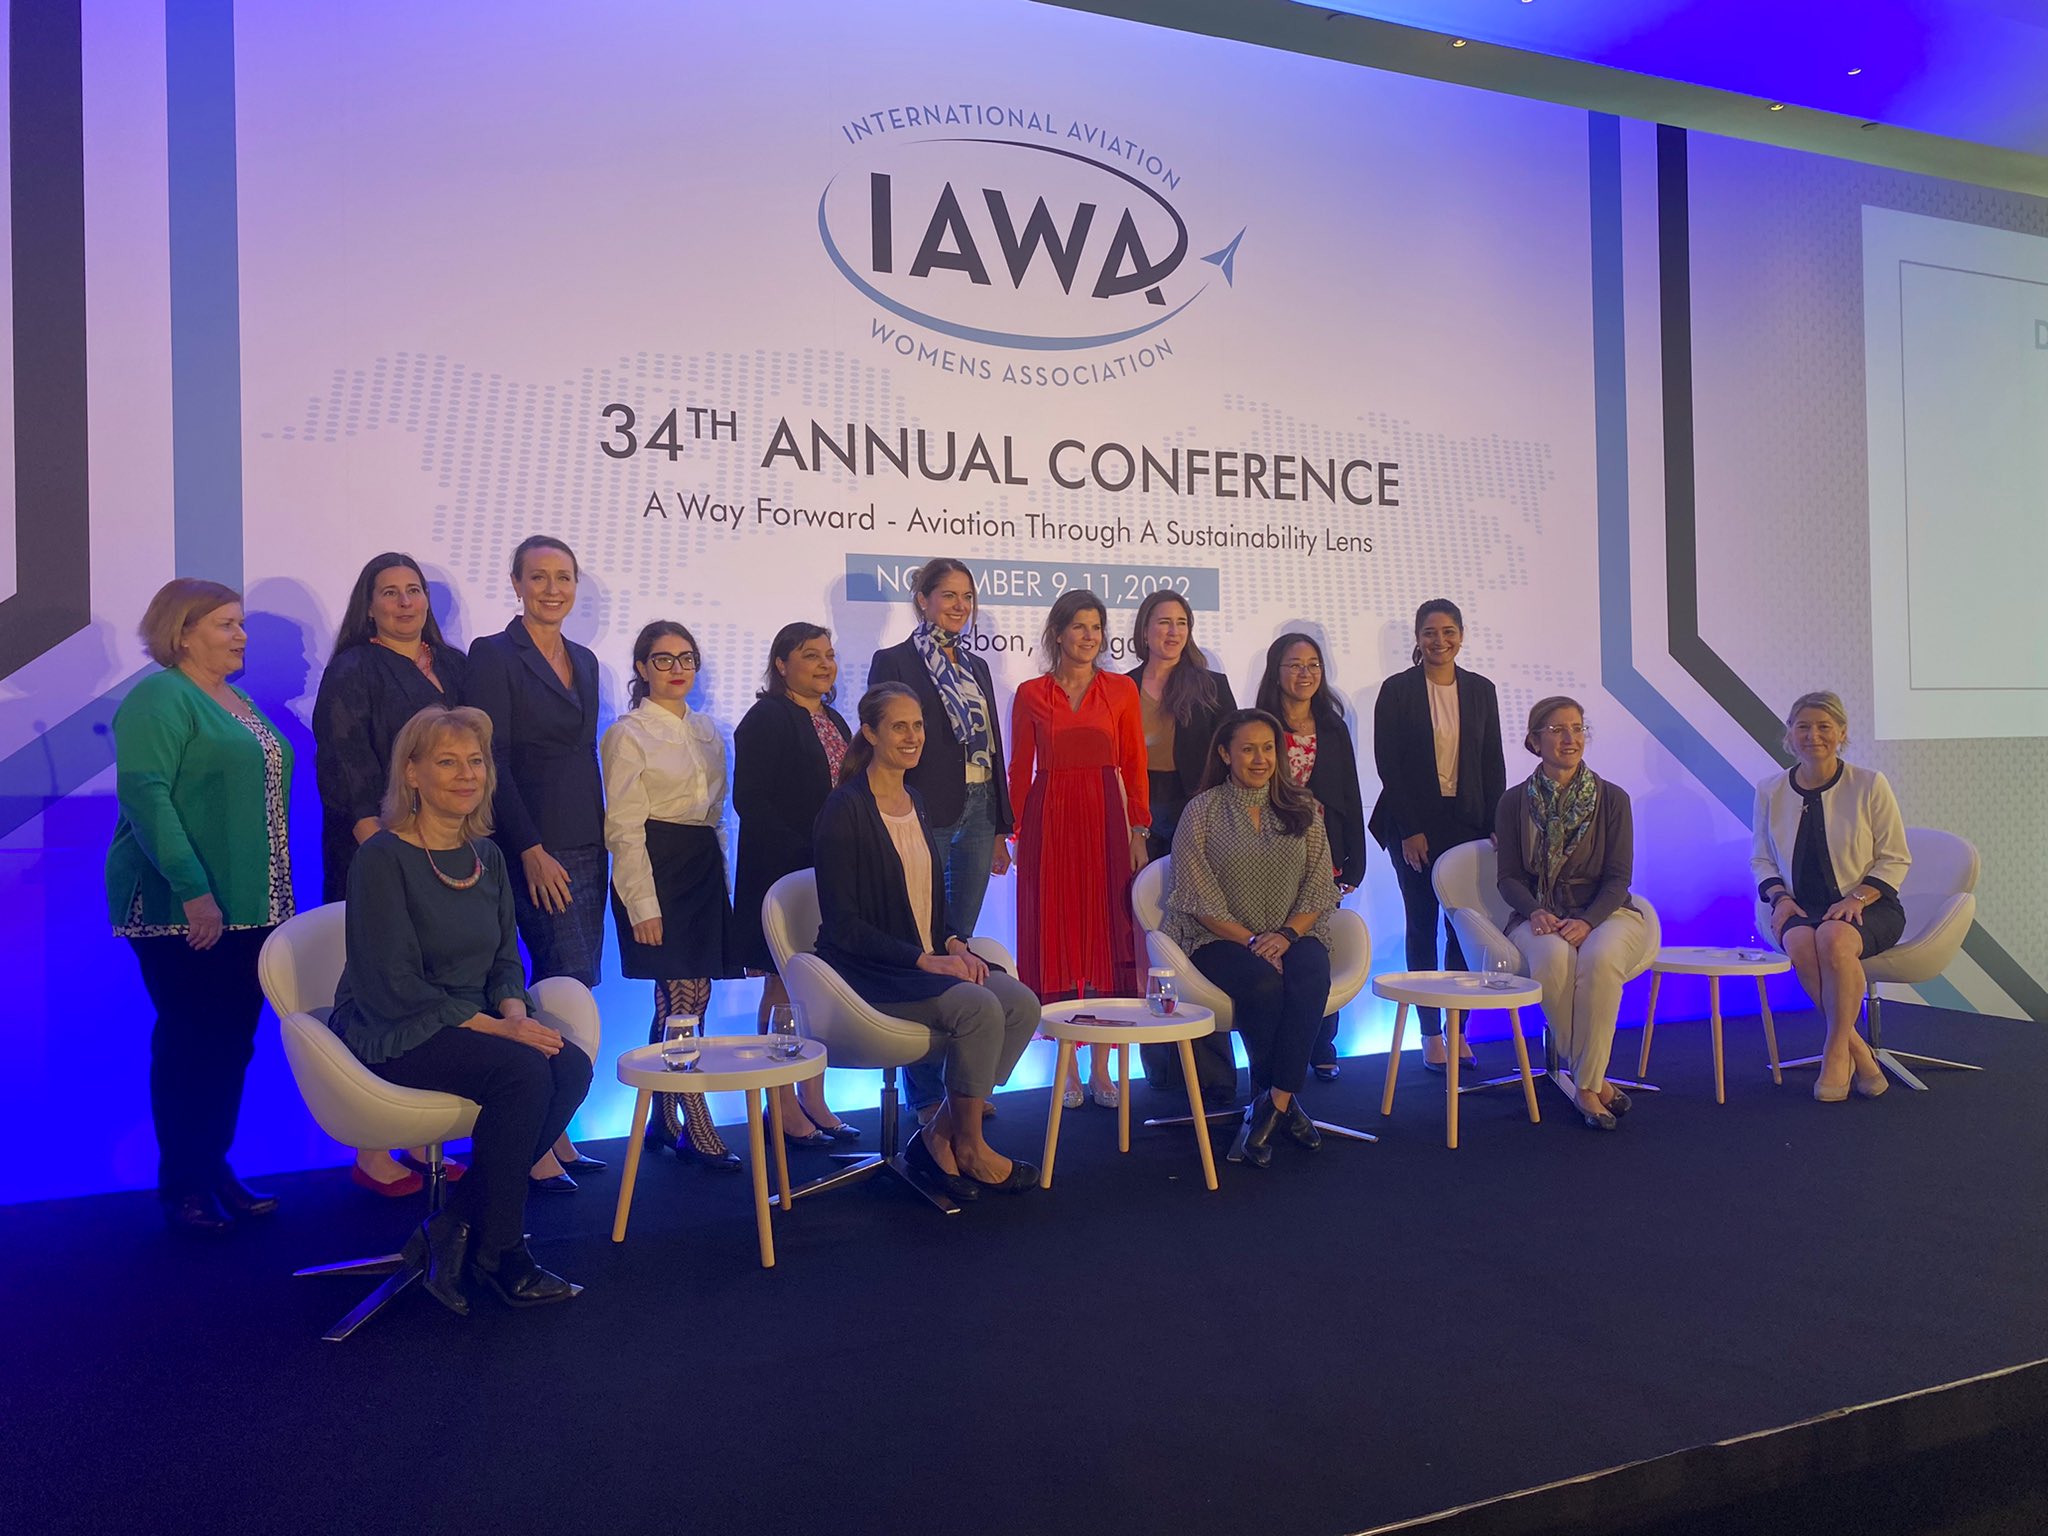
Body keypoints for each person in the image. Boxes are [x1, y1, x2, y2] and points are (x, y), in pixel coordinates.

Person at [329, 705, 591, 1312]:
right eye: (447, 762)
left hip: (476, 1015)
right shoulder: (383, 857)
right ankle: (504, 1254)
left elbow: (505, 958)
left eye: (475, 761)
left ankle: (453, 1225)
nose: (466, 774)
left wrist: (515, 1015)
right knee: (521, 1071)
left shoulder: (488, 857)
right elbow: (392, 981)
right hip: (395, 1020)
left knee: (569, 1065)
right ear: (412, 773)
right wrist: (501, 1031)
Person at [108, 579, 295, 1234]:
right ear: (181, 631)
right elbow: (147, 797)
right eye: (225, 624)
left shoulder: (235, 700)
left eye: (240, 623)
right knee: (190, 1043)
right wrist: (194, 891)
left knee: (230, 1045)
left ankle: (213, 1167)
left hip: (250, 905)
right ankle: (181, 1185)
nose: (240, 635)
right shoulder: (160, 697)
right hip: (180, 907)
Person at [812, 684, 1040, 1201]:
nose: (913, 736)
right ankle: (973, 1148)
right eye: (899, 726)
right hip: (870, 973)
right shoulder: (843, 809)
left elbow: (930, 907)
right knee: (979, 1007)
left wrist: (955, 944)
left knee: (1021, 1004)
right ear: (869, 733)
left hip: (925, 961)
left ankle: (939, 1132)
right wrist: (927, 961)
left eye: (917, 726)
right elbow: (844, 925)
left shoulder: (915, 800)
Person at [312, 551, 474, 1197]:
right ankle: (374, 1149)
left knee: (438, 993)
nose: (406, 602)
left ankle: (421, 1136)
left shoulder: (456, 667)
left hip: (450, 854)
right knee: (383, 994)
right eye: (390, 592)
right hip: (378, 854)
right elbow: (344, 762)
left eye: (415, 591)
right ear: (370, 604)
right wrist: (381, 849)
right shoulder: (354, 668)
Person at [465, 535, 604, 1188]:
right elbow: (493, 760)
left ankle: (558, 1125)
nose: (553, 588)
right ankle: (533, 1141)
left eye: (564, 577)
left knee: (575, 983)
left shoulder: (585, 659)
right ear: (515, 583)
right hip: (530, 843)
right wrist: (529, 848)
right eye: (539, 577)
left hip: (587, 841)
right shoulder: (493, 655)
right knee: (547, 980)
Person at [1161, 709, 1341, 1169]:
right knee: (1263, 985)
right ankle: (1285, 1107)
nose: (1259, 759)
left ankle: (1274, 1101)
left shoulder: (1303, 808)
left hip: (1295, 933)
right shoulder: (1201, 810)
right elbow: (1198, 896)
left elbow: (1319, 887)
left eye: (1267, 749)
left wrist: (1283, 936)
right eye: (1247, 749)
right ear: (1225, 754)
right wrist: (1255, 941)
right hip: (1217, 937)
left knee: (1310, 973)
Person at [603, 621, 742, 1171]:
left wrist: (723, 882)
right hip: (656, 865)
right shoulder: (627, 732)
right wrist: (642, 904)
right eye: (663, 659)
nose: (677, 668)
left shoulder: (709, 730)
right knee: (683, 996)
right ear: (642, 668)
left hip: (701, 865)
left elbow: (718, 818)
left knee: (684, 996)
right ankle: (695, 1118)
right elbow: (622, 826)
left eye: (686, 658)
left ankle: (665, 1115)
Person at [1007, 588, 1150, 1110]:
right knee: (1058, 936)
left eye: (1096, 627)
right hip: (1050, 820)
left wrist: (1138, 830)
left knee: (1105, 934)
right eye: (1079, 627)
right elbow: (1019, 770)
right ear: (1058, 633)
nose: (1089, 637)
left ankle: (1103, 1067)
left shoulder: (1121, 692)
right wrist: (1015, 833)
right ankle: (1066, 1066)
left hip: (1106, 821)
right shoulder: (1030, 693)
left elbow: (1134, 766)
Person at [732, 623, 860, 1144]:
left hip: (831, 874)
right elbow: (752, 802)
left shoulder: (833, 718)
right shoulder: (766, 717)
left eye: (829, 655)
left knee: (819, 987)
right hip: (782, 873)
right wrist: (806, 855)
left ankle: (814, 1098)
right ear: (781, 663)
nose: (825, 665)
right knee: (783, 986)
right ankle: (780, 1102)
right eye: (811, 656)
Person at [1495, 696, 1648, 1131]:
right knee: (1552, 961)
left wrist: (1588, 920)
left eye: (1578, 728)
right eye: (1558, 729)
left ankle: (1584, 1083)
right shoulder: (1512, 802)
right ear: (1534, 739)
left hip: (1607, 912)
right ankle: (1593, 1080)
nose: (1570, 738)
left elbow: (1619, 877)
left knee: (1599, 961)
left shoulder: (1612, 798)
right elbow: (1507, 878)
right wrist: (1536, 911)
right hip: (1538, 913)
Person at [1750, 691, 1910, 1102]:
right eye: (1802, 726)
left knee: (1834, 939)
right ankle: (1858, 1048)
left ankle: (1835, 1052)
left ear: (1841, 733)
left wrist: (1857, 899)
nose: (1813, 735)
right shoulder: (1770, 789)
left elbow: (1895, 857)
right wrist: (1781, 900)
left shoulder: (1870, 784)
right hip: (1799, 906)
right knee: (1803, 941)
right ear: (1789, 734)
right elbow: (1761, 860)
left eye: (1824, 726)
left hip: (1868, 903)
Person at [1369, 599, 1505, 1074]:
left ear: (1462, 636)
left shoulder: (1482, 690)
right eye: (1429, 632)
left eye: (1448, 632)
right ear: (1417, 637)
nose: (1439, 641)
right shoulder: (1397, 690)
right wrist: (1410, 831)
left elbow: (1492, 762)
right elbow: (1390, 765)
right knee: (1422, 922)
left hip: (1467, 823)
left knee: (1463, 926)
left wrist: (1496, 824)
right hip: (1414, 824)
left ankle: (1458, 1028)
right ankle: (1428, 1034)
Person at [865, 557, 1015, 933]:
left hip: (981, 806)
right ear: (922, 600)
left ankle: (960, 991)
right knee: (918, 923)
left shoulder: (976, 666)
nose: (960, 605)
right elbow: (883, 745)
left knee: (961, 928)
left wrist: (1001, 826)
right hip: (923, 805)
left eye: (966, 596)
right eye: (948, 595)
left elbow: (991, 746)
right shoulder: (894, 661)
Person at [1256, 632, 1367, 1082]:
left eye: (1313, 665)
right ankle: (1279, 1049)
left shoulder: (1333, 726)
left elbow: (1349, 794)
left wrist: (1354, 860)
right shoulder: (1258, 725)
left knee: (1318, 943)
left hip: (1324, 855)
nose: (1305, 674)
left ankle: (1322, 1043)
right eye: (1295, 664)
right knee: (1275, 949)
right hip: (1265, 855)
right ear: (1276, 671)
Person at [1125, 589, 1237, 861]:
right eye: (1164, 622)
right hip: (1138, 811)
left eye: (1182, 622)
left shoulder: (1212, 686)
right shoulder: (1123, 687)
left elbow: (1233, 750)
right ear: (1144, 631)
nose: (1174, 631)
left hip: (1195, 809)